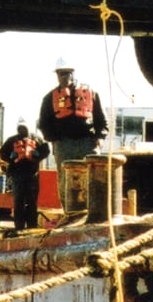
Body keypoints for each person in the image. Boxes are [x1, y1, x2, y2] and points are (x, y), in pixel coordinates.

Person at [37, 57, 107, 211]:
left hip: (88, 143)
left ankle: (92, 213)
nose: (63, 77)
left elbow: (101, 118)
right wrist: (54, 140)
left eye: (66, 73)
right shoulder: (49, 98)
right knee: (65, 180)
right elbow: (43, 123)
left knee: (92, 179)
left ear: (73, 73)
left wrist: (100, 138)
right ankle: (69, 213)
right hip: (64, 144)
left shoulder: (91, 93)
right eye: (60, 73)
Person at [0, 120, 50, 231]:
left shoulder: (37, 138)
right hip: (17, 174)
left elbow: (46, 150)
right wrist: (10, 157)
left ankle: (32, 226)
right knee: (19, 202)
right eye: (20, 128)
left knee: (32, 201)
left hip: (32, 174)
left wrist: (38, 155)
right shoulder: (12, 140)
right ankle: (19, 227)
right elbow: (2, 153)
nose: (22, 130)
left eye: (24, 128)